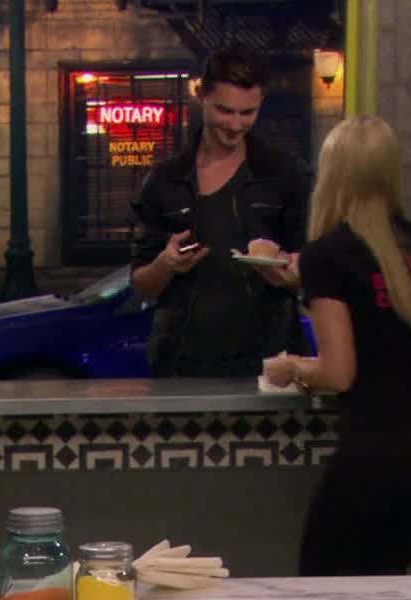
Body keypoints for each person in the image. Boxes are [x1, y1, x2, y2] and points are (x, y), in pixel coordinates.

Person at [264, 116, 411, 576]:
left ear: (333, 175)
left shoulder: (327, 255)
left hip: (377, 449)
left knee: (322, 583)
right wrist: (310, 281)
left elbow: (338, 373)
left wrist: (291, 367)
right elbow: (384, 318)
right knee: (383, 587)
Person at [129, 44, 307, 378]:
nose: (236, 124)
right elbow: (142, 284)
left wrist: (296, 274)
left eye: (248, 113)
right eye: (225, 111)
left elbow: (313, 264)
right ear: (201, 96)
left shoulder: (284, 173)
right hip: (182, 364)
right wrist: (165, 265)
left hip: (270, 362)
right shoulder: (165, 180)